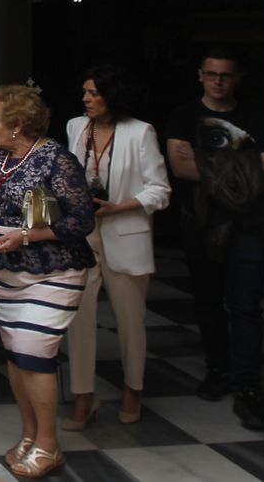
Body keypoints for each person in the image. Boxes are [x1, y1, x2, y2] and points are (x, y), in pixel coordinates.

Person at [0, 84, 94, 480]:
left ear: (18, 125)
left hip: (53, 271)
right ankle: (30, 435)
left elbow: (81, 219)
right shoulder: (2, 158)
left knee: (33, 352)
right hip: (7, 272)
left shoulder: (55, 160)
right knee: (16, 356)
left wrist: (27, 236)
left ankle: (50, 445)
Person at [164, 48, 264, 431]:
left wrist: (208, 165)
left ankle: (248, 388)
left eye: (226, 75)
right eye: (212, 74)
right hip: (201, 223)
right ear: (200, 75)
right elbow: (180, 166)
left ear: (237, 78)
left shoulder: (256, 118)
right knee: (209, 302)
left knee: (246, 306)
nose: (218, 81)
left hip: (247, 227)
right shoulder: (184, 115)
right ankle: (219, 371)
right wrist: (241, 169)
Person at [61, 64, 170, 429]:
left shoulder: (140, 133)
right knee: (79, 318)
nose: (86, 99)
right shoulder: (77, 128)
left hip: (125, 233)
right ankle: (83, 397)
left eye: (93, 93)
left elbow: (160, 190)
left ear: (113, 96)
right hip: (85, 234)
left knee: (130, 321)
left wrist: (118, 207)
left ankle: (132, 390)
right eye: (85, 93)